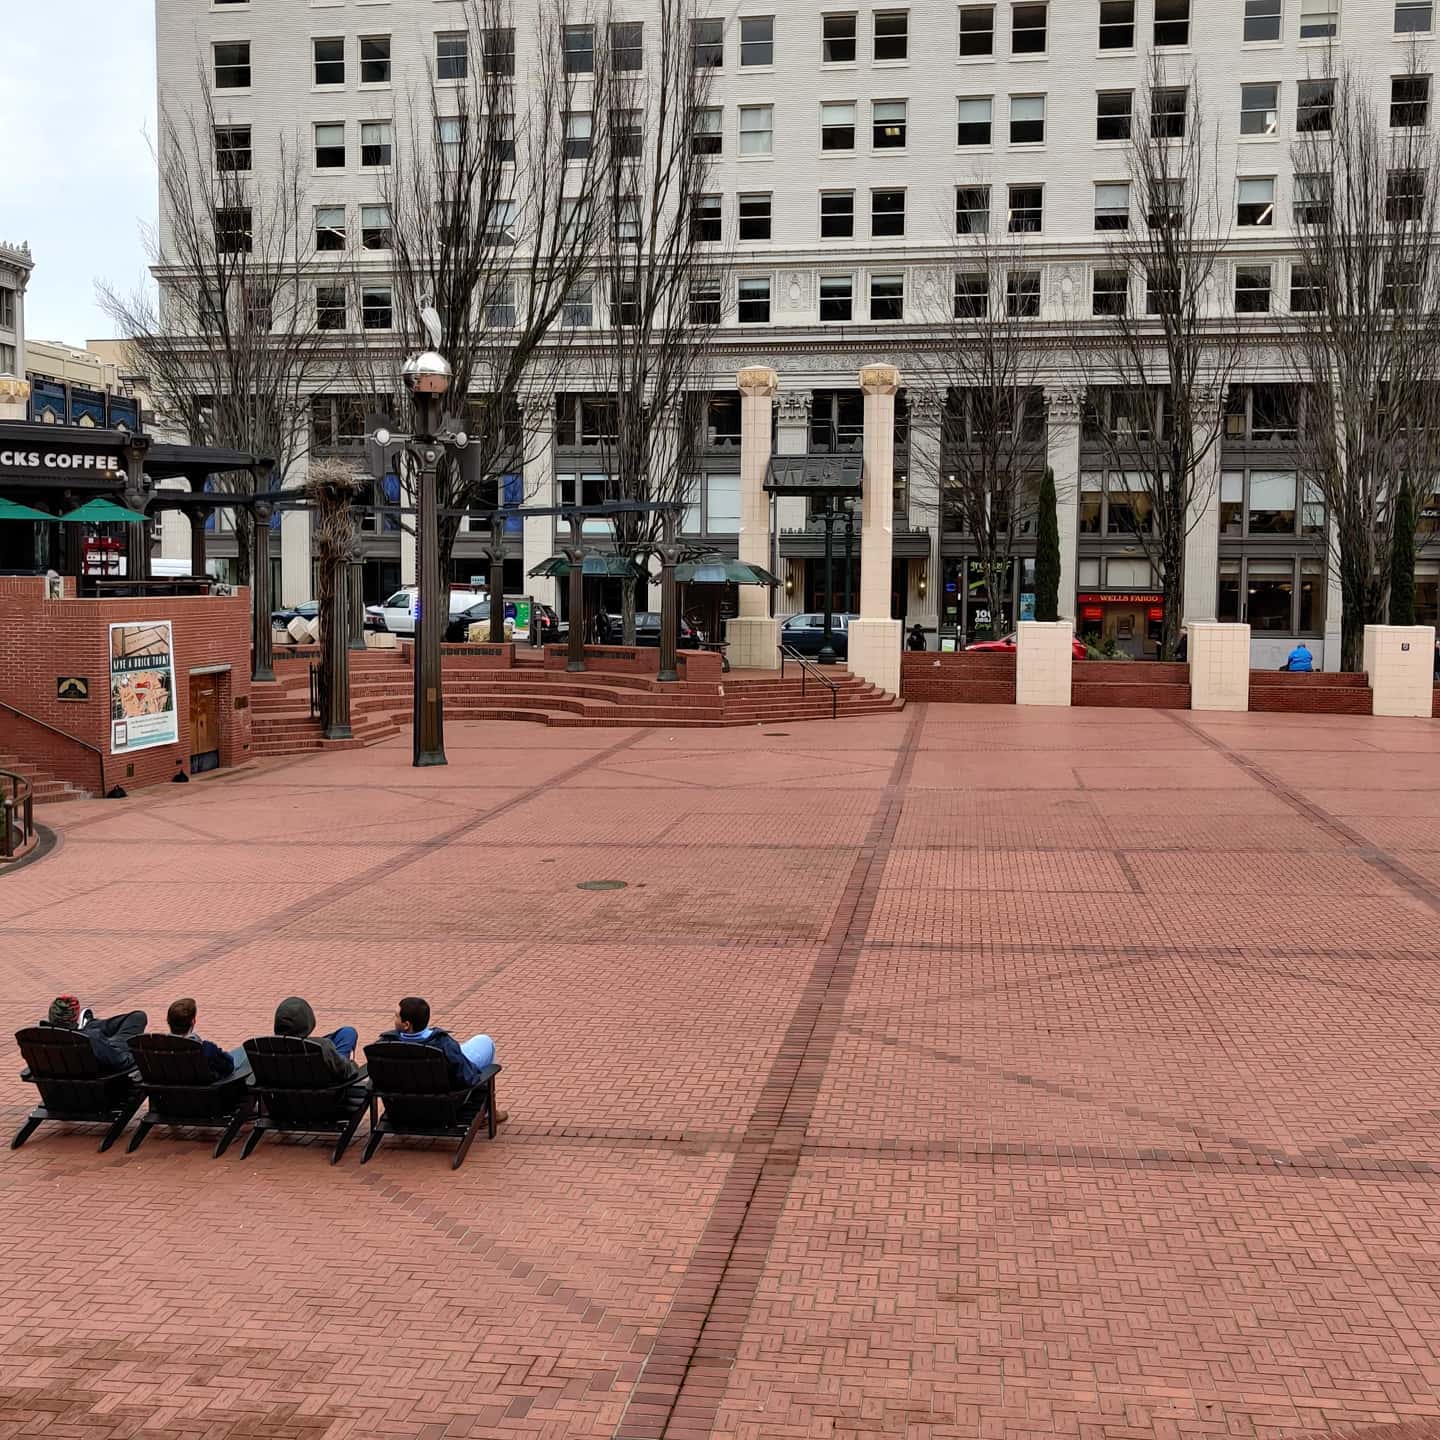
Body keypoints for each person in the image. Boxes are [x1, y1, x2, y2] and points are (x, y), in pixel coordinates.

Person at [377, 997, 508, 1122]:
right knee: (484, 1041)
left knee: (462, 1051)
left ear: (406, 1025)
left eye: (396, 1016)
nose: (394, 1019)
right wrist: (475, 1071)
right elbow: (466, 1078)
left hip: (400, 1108)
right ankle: (488, 1113)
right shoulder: (443, 1045)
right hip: (442, 1106)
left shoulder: (384, 1045)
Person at [41, 996, 146, 1072]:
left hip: (62, 1086)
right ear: (75, 1018)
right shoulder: (92, 1038)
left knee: (97, 1030)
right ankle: (99, 1034)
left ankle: (90, 1026)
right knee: (138, 1017)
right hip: (108, 1062)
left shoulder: (39, 1038)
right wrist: (138, 1055)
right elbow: (121, 1062)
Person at [272, 997, 362, 1082]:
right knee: (348, 1033)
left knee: (346, 1032)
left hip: (286, 1085)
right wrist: (352, 1063)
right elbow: (346, 1072)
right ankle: (339, 1057)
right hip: (323, 1086)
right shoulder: (323, 1046)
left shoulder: (268, 1047)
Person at [166, 997, 247, 1080]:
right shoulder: (205, 1048)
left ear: (169, 1022)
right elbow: (229, 1067)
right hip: (209, 1086)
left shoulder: (161, 1048)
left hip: (171, 1085)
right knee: (244, 1051)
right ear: (193, 1021)